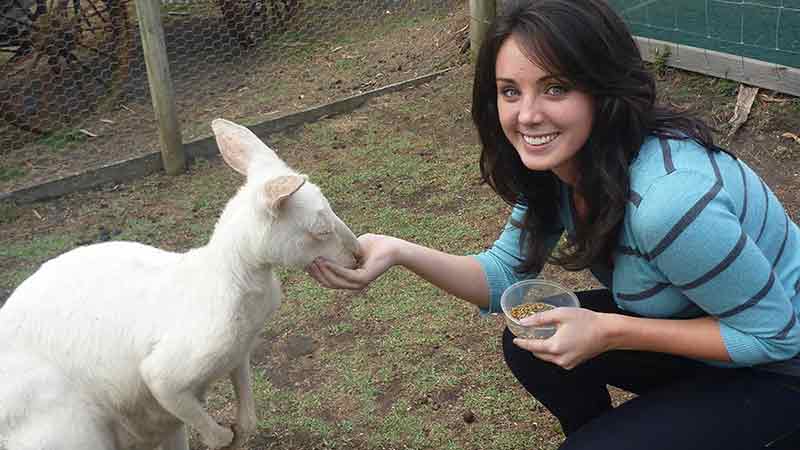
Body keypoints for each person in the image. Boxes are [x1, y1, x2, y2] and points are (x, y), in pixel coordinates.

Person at [307, 0, 800, 448]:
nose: (527, 115)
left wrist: (608, 330)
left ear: (602, 90)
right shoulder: (567, 167)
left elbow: (777, 336)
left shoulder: (669, 203)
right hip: (710, 337)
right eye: (510, 91)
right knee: (529, 334)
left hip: (781, 369)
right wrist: (398, 251)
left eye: (555, 88)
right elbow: (501, 275)